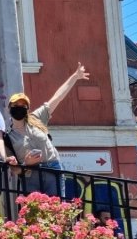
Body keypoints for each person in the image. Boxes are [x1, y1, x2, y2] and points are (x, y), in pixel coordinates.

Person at [6, 63, 90, 197]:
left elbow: (57, 98)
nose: (19, 107)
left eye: (23, 105)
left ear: (28, 109)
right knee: (36, 213)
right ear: (9, 108)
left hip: (52, 169)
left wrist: (75, 77)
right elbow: (13, 168)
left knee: (56, 211)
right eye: (16, 105)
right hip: (30, 174)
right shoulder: (8, 137)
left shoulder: (37, 118)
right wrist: (25, 163)